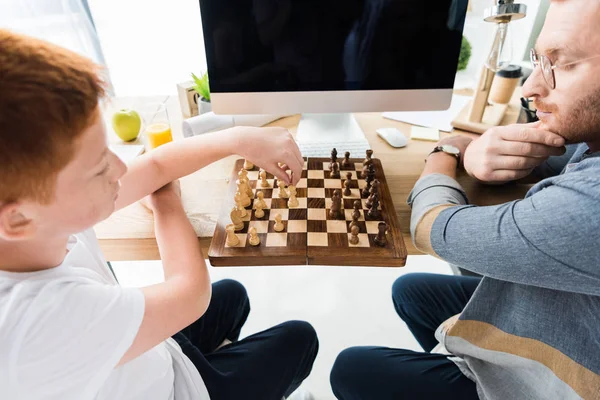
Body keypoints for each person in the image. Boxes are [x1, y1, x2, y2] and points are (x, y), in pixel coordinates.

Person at [0, 30, 318, 400]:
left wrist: (239, 138)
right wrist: (166, 205)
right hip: (178, 390)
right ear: (19, 219)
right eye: (97, 166)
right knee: (300, 338)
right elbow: (189, 292)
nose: (120, 168)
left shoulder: (36, 219)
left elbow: (152, 166)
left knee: (233, 296)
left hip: (154, 356)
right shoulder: (38, 325)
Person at [330, 0, 600, 398]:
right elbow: (550, 155)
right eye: (538, 60)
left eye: (561, 63)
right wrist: (475, 148)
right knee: (412, 292)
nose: (530, 88)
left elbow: (431, 228)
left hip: (563, 379)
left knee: (351, 369)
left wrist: (446, 152)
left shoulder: (589, 206)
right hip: (570, 312)